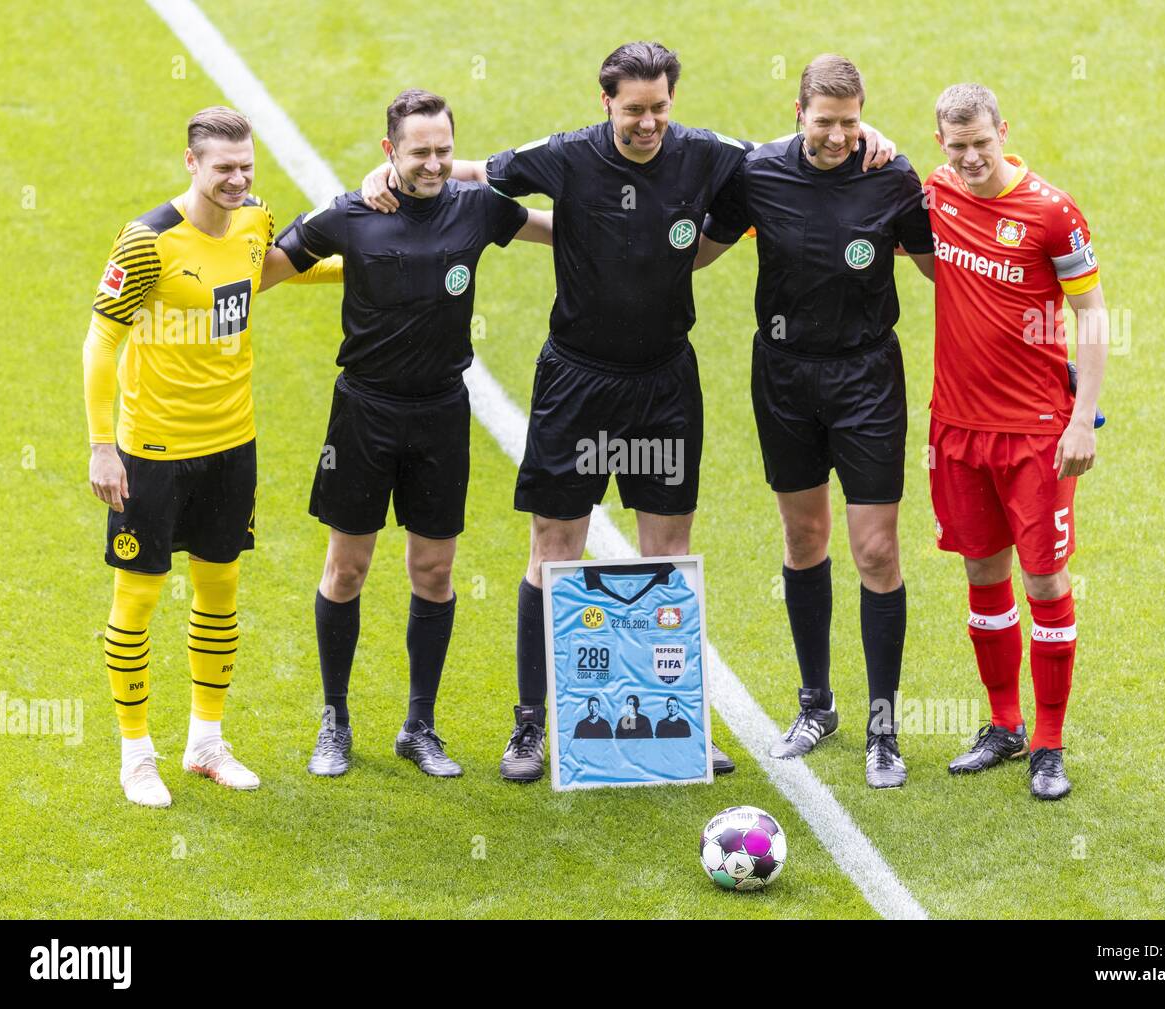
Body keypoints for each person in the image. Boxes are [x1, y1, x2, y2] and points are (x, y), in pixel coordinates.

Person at [363, 42, 896, 783]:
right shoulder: (567, 156)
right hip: (577, 382)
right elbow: (478, 171)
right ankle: (530, 727)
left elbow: (795, 154)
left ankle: (672, 724)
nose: (648, 123)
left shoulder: (709, 155)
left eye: (659, 109)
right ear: (606, 101)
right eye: (634, 109)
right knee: (554, 553)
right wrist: (388, 172)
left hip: (664, 385)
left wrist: (866, 136)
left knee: (665, 556)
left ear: (673, 103)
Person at [271, 89, 553, 778]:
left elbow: (560, 228)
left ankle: (419, 725)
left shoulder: (479, 207)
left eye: (443, 150)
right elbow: (266, 267)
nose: (432, 163)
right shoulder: (352, 212)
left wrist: (640, 218)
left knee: (433, 569)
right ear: (388, 150)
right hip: (362, 413)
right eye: (419, 150)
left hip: (440, 415)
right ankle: (335, 718)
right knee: (348, 567)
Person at [85, 106, 339, 808]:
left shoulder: (256, 219)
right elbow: (100, 342)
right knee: (137, 596)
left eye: (245, 167)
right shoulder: (147, 242)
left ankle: (205, 743)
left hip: (233, 444)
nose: (237, 179)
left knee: (219, 592)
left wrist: (366, 265)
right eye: (223, 167)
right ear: (191, 161)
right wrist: (103, 446)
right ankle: (136, 754)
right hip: (152, 452)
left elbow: (263, 276)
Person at [698, 56, 933, 788]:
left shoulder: (894, 176)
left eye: (850, 121)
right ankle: (816, 703)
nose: (837, 136)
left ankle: (884, 728)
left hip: (866, 377)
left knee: (875, 551)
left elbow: (942, 267)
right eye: (824, 121)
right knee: (804, 537)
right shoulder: (757, 172)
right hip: (784, 375)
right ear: (796, 111)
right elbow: (697, 248)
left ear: (865, 113)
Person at [922, 84, 1107, 799]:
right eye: (957, 145)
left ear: (1005, 131)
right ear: (942, 142)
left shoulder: (1052, 214)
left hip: (1036, 434)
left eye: (982, 144)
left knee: (1044, 581)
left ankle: (1050, 742)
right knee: (982, 575)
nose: (970, 158)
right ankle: (1004, 726)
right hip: (958, 429)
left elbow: (1091, 314)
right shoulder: (937, 192)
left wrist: (1080, 416)